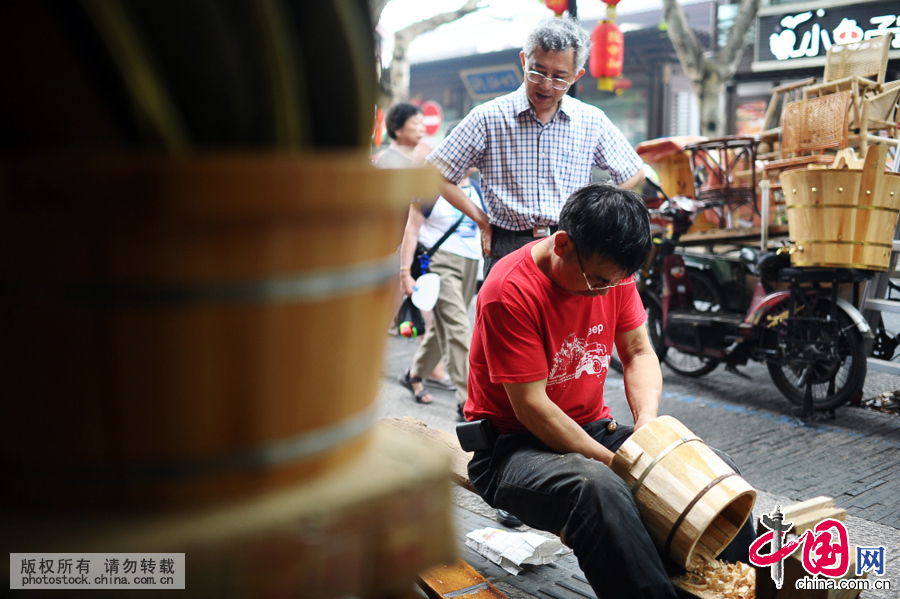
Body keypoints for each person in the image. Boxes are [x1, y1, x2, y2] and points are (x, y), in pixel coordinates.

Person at [461, 184, 755, 598]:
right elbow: (532, 408)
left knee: (710, 466)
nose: (604, 291)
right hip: (511, 449)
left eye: (616, 282)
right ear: (562, 244)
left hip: (591, 429)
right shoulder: (509, 291)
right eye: (597, 281)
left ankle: (740, 587)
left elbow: (638, 352)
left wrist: (648, 435)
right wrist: (619, 463)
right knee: (598, 489)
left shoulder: (613, 276)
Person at [426, 16, 646, 277]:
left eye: (559, 77)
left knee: (564, 318)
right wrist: (482, 221)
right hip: (507, 244)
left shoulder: (591, 120)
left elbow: (634, 172)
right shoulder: (488, 117)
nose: (545, 85)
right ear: (523, 60)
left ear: (576, 76)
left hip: (569, 245)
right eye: (537, 71)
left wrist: (591, 212)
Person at [376, 102, 453, 386]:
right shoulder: (388, 159)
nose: (422, 127)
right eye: (415, 123)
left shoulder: (424, 155)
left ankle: (429, 367)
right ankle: (369, 360)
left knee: (425, 305)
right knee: (388, 308)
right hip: (391, 245)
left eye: (423, 122)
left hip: (419, 243)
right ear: (397, 128)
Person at [398, 168, 484, 413]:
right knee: (458, 326)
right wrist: (405, 272)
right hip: (439, 262)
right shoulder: (431, 188)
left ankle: (415, 374)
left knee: (442, 325)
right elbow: (411, 230)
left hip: (470, 263)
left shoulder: (476, 188)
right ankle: (469, 402)